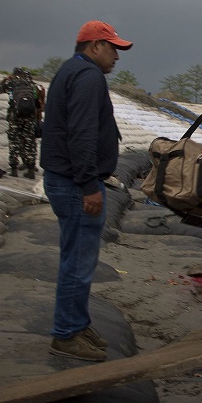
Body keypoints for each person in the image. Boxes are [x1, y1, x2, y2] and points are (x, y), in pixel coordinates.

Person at [40, 20, 132, 361]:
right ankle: (65, 334)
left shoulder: (71, 71)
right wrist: (89, 186)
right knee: (78, 262)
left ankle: (77, 324)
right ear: (95, 46)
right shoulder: (89, 77)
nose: (117, 57)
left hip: (66, 181)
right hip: (75, 185)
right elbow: (81, 134)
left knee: (75, 257)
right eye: (113, 49)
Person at [0, 67, 42, 178]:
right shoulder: (32, 86)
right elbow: (38, 103)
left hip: (15, 116)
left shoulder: (11, 84)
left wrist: (5, 79)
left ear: (14, 75)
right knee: (29, 141)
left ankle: (14, 169)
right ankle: (31, 170)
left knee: (14, 140)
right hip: (29, 117)